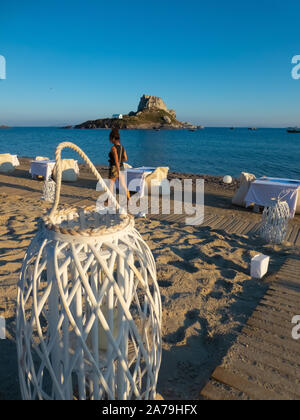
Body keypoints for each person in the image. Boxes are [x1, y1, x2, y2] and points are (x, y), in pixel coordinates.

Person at [107, 127, 130, 203]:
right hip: (121, 166)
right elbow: (125, 158)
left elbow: (116, 160)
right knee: (123, 184)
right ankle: (129, 199)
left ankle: (109, 199)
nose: (109, 140)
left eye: (110, 138)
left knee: (110, 184)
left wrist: (117, 170)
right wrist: (120, 164)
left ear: (113, 138)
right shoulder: (122, 147)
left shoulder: (113, 148)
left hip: (114, 167)